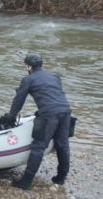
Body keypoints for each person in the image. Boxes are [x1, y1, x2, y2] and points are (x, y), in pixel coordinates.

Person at [6, 54, 72, 190]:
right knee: (62, 144)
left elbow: (18, 100)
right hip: (65, 111)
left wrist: (11, 117)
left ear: (28, 66)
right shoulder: (54, 76)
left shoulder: (28, 79)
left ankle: (26, 181)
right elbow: (54, 95)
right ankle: (60, 177)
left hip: (49, 114)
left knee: (38, 146)